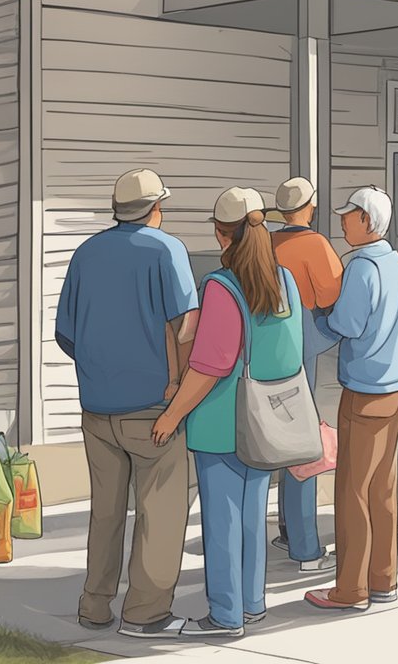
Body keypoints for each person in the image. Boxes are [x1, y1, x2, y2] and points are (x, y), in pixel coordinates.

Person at [148, 188, 299, 637]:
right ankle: (252, 603)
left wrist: (172, 415)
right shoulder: (284, 280)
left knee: (221, 522)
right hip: (269, 418)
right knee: (253, 516)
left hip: (221, 421)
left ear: (220, 233)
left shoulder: (221, 286)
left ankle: (226, 615)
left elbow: (210, 365)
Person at [55, 169, 197, 638]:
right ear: (157, 207)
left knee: (107, 510)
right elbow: (187, 326)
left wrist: (102, 367)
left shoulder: (86, 253)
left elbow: (66, 335)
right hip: (153, 406)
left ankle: (94, 604)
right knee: (160, 511)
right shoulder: (167, 250)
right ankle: (145, 613)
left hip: (96, 406)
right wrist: (175, 380)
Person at [306, 186, 398, 612]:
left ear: (367, 220)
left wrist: (313, 318)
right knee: (382, 488)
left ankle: (351, 588)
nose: (343, 222)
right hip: (395, 385)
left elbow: (346, 324)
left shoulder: (362, 267)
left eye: (349, 215)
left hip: (365, 389)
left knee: (352, 490)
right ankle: (383, 578)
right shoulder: (395, 262)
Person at [266, 176, 341, 573]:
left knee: (277, 436)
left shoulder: (266, 243)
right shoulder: (315, 244)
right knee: (304, 444)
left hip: (267, 347)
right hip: (303, 344)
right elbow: (330, 295)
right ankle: (305, 545)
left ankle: (285, 529)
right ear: (310, 207)